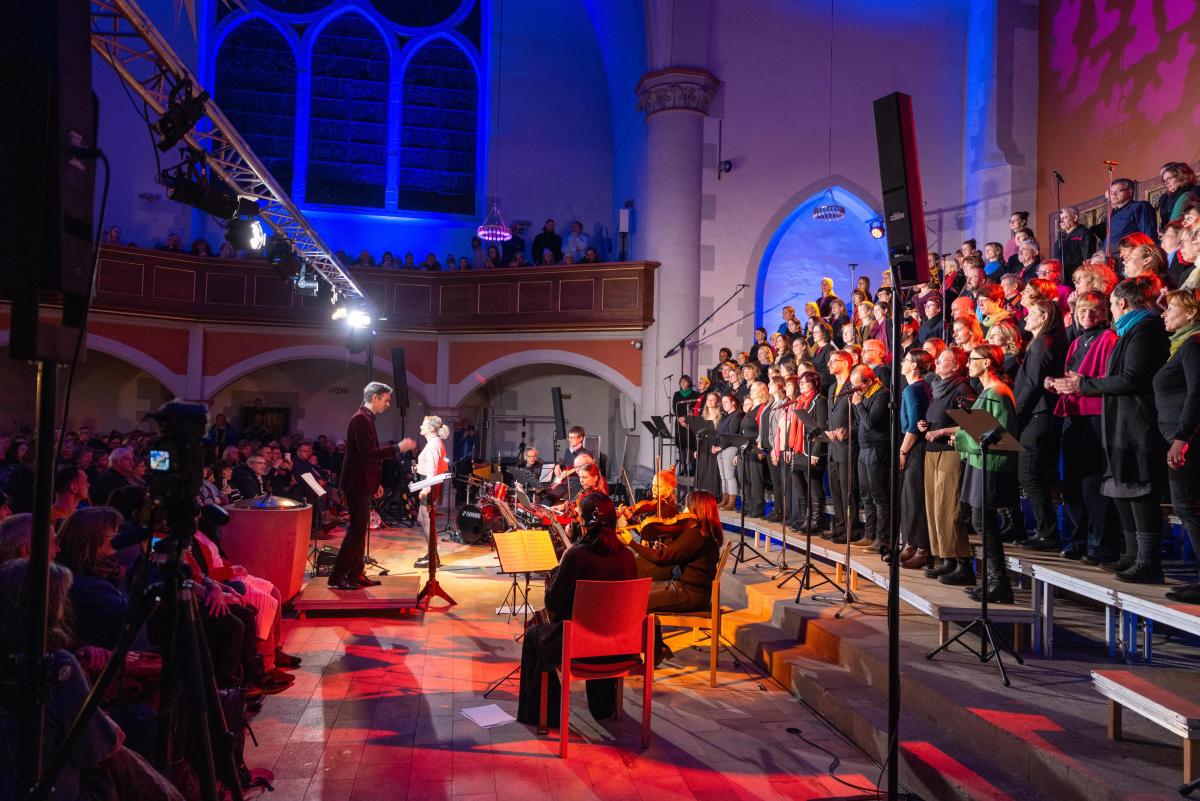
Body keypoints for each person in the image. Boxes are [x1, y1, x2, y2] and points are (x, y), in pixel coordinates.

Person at [1050, 275, 1170, 582]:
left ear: (1120, 304)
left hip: (1137, 420)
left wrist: (1084, 385)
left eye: (1110, 306)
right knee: (1121, 485)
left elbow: (1132, 378)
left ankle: (1147, 561)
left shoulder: (1144, 330)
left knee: (1139, 488)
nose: (1108, 314)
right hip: (1121, 419)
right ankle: (1131, 554)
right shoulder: (1130, 331)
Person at [516, 492, 636, 727]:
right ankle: (603, 705)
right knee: (596, 623)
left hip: (583, 644)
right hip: (620, 645)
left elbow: (554, 604)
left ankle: (546, 715)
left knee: (534, 635)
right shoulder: (628, 557)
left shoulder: (577, 555)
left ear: (585, 523)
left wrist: (555, 574)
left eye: (579, 517)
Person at [1051, 290, 1119, 564]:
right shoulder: (1077, 341)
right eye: (1082, 311)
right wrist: (1055, 383)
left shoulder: (1109, 339)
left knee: (1093, 484)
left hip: (1095, 414)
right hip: (1073, 413)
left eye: (1094, 311)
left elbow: (1108, 379)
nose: (1088, 316)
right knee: (1073, 484)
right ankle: (1078, 540)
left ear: (1104, 312)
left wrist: (1077, 385)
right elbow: (1070, 375)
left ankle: (1099, 545)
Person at [621, 490, 723, 664]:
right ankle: (657, 648)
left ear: (696, 508)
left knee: (637, 600)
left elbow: (662, 559)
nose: (684, 509)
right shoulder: (707, 532)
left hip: (690, 594)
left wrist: (631, 543)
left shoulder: (696, 534)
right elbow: (676, 554)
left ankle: (636, 653)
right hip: (693, 590)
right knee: (641, 592)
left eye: (688, 506)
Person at [330, 383, 416, 589]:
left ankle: (355, 573)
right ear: (375, 397)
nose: (387, 404)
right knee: (356, 530)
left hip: (363, 483)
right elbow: (368, 453)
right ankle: (338, 575)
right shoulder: (360, 419)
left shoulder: (366, 419)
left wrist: (375, 483)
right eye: (386, 399)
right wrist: (398, 448)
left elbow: (367, 457)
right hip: (356, 484)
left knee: (360, 531)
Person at [955, 345, 1019, 603]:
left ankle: (999, 583)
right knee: (981, 521)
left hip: (990, 465)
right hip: (980, 462)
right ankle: (994, 581)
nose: (968, 363)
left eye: (973, 359)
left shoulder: (999, 393)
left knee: (984, 521)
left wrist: (963, 436)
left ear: (988, 362)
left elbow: (1000, 434)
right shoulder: (987, 392)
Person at [1155, 290, 1200, 603]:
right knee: (1186, 508)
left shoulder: (1193, 345)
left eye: (1171, 308)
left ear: (1191, 314)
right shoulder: (1181, 345)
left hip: (1187, 441)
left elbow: (1197, 393)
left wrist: (1182, 437)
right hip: (1178, 438)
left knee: (1188, 507)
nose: (1164, 314)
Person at [1012, 299, 1067, 552]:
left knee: (1030, 475)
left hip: (1038, 415)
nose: (1025, 318)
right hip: (1040, 415)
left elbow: (1033, 384)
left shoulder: (1042, 345)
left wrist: (1016, 416)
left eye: (1031, 313)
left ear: (1044, 317)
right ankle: (1045, 531)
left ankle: (1047, 532)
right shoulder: (1041, 343)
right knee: (1035, 475)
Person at [896, 350, 933, 569]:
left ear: (915, 367)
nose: (902, 363)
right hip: (917, 446)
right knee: (910, 497)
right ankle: (912, 542)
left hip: (915, 448)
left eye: (906, 360)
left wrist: (903, 451)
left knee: (914, 497)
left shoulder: (913, 389)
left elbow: (914, 425)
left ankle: (922, 547)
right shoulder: (918, 387)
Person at [849, 364, 891, 553]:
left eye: (859, 386)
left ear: (869, 381)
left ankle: (883, 538)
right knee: (865, 494)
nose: (857, 390)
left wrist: (858, 405)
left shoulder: (881, 394)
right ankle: (870, 534)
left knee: (878, 495)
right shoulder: (865, 395)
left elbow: (870, 423)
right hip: (864, 449)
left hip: (877, 448)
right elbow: (860, 424)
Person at [825, 350, 860, 543]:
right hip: (833, 447)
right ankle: (839, 527)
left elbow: (859, 418)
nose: (829, 364)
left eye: (833, 361)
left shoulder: (853, 385)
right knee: (836, 490)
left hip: (847, 447)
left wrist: (848, 430)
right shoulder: (831, 388)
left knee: (848, 491)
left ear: (846, 363)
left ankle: (851, 529)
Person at [787, 371, 828, 533]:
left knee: (813, 485)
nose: (801, 384)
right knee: (799, 485)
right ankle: (805, 518)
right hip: (798, 449)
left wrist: (816, 452)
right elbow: (794, 427)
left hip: (810, 450)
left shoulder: (819, 401)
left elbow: (821, 428)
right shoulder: (799, 401)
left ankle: (816, 521)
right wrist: (790, 448)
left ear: (814, 383)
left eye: (805, 382)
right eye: (800, 382)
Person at [413, 416, 451, 569]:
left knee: (427, 520)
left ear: (430, 428)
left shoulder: (434, 444)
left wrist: (426, 488)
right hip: (429, 484)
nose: (421, 426)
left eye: (423, 424)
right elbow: (431, 466)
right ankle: (432, 554)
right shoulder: (434, 443)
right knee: (422, 519)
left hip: (430, 486)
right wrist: (419, 468)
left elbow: (433, 470)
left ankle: (433, 557)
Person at [1104, 178, 1158, 245]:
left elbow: (1148, 235)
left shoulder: (1139, 206)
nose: (1114, 195)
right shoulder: (1113, 215)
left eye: (1118, 191)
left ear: (1130, 192)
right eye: (1111, 192)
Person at [1054, 206, 1098, 282]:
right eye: (1061, 219)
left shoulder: (1083, 233)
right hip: (1062, 277)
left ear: (1075, 218)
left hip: (1077, 276)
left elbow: (1088, 257)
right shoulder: (1060, 238)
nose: (1061, 221)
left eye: (1065, 218)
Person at [714, 394, 742, 510]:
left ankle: (731, 502)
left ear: (733, 403)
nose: (723, 404)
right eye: (723, 402)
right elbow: (719, 433)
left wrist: (721, 447)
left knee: (729, 476)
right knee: (723, 476)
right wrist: (715, 445)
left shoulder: (737, 415)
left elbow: (731, 433)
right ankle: (724, 499)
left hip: (730, 448)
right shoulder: (725, 416)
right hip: (721, 448)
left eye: (726, 402)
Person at [692, 391, 723, 497]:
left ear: (717, 402)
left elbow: (720, 434)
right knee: (702, 470)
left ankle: (712, 496)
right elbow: (699, 435)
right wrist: (697, 449)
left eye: (712, 399)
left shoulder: (720, 417)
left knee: (712, 471)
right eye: (708, 399)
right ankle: (701, 495)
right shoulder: (703, 417)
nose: (709, 401)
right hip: (703, 446)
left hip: (714, 446)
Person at [671, 376, 697, 477]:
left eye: (684, 381)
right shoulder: (677, 394)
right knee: (681, 445)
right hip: (679, 423)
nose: (682, 383)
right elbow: (675, 407)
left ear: (689, 383)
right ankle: (683, 469)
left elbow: (695, 408)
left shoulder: (695, 394)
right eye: (681, 382)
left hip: (690, 422)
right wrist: (680, 419)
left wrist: (686, 419)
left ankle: (692, 468)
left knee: (690, 445)